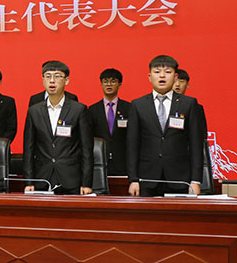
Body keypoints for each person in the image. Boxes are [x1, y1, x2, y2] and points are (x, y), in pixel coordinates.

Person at [127, 56, 203, 196]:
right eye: (157, 72)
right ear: (150, 77)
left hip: (180, 178)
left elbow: (196, 145)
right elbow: (132, 145)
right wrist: (133, 179)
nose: (162, 75)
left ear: (175, 77)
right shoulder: (138, 105)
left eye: (167, 72)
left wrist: (196, 180)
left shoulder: (189, 104)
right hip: (146, 178)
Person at [23, 61, 93, 195]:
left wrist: (86, 183)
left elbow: (86, 150)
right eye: (48, 76)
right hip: (42, 178)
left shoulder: (79, 110)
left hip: (71, 179)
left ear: (66, 80)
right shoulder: (34, 111)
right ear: (43, 80)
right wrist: (29, 181)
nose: (52, 80)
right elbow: (29, 149)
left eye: (57, 76)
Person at [87, 68, 130, 176]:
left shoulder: (129, 108)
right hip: (99, 161)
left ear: (120, 84)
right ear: (101, 84)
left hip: (123, 162)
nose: (109, 84)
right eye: (105, 81)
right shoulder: (92, 109)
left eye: (113, 81)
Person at [174, 69, 208, 139]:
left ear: (187, 85)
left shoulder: (196, 107)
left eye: (181, 81)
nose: (177, 84)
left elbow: (201, 134)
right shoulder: (162, 105)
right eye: (174, 81)